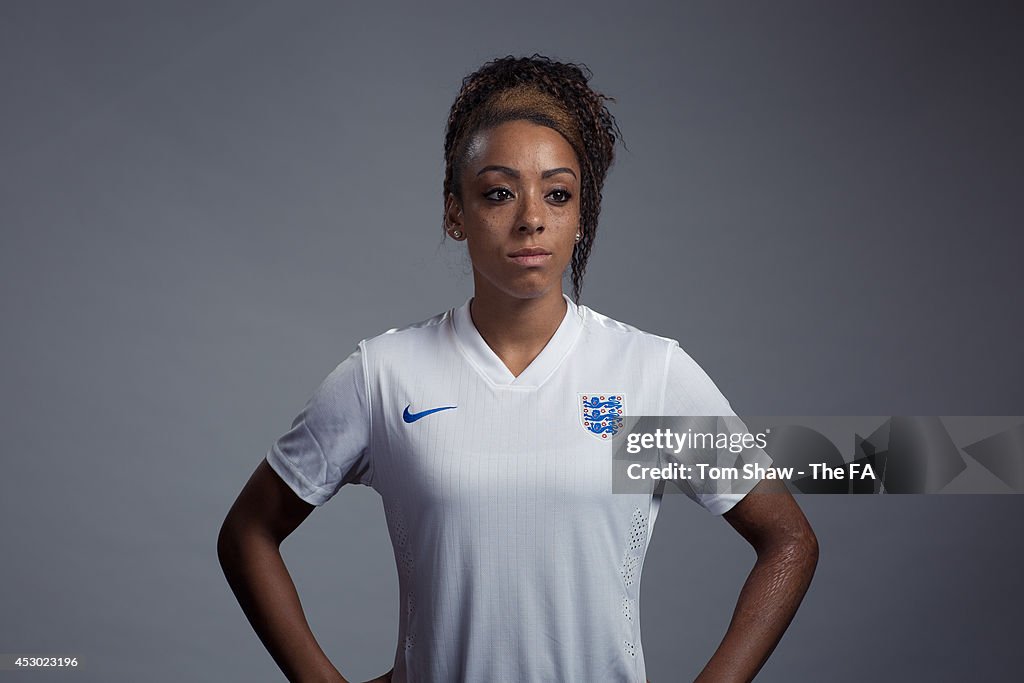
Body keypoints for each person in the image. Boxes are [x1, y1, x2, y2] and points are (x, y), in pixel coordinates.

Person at [217, 54, 818, 683]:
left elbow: (789, 540)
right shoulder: (384, 375)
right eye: (499, 192)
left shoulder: (649, 373)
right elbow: (248, 534)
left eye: (557, 194)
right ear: (455, 213)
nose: (531, 217)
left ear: (581, 216)